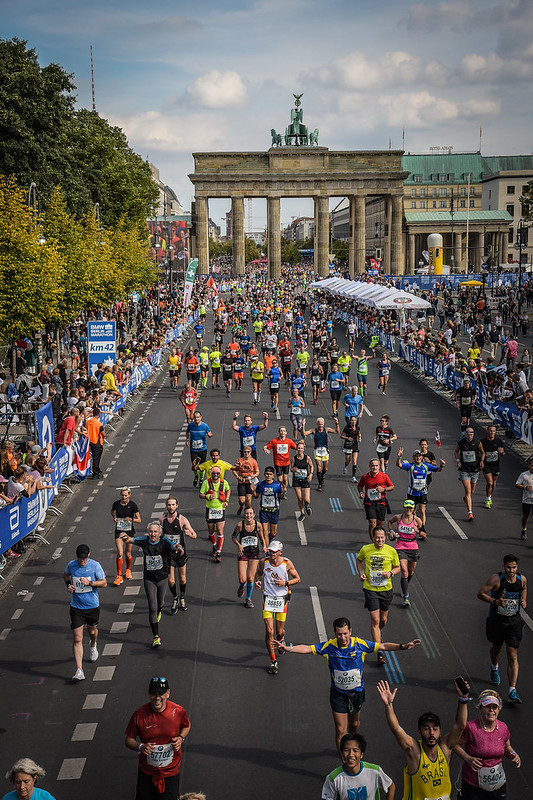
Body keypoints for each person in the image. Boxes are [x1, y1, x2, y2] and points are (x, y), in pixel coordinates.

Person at [276, 617, 420, 752]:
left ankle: (351, 741)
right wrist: (288, 648)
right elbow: (308, 648)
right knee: (340, 730)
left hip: (356, 693)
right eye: (339, 635)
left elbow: (382, 645)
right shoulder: (329, 647)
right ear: (335, 634)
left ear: (350, 632)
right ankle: (344, 761)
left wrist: (403, 646)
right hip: (338, 695)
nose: (343, 638)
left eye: (345, 634)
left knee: (354, 726)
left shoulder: (359, 644)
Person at [377, 678, 470, 800]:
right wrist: (389, 705)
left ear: (440, 731)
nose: (431, 733)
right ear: (419, 732)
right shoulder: (414, 751)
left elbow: (460, 725)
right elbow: (396, 728)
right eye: (426, 729)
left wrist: (463, 700)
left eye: (435, 728)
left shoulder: (445, 748)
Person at [125, 677, 191, 800]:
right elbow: (128, 740)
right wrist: (141, 746)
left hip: (170, 773)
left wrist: (181, 738)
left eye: (161, 693)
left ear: (168, 693)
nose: (157, 697)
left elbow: (186, 726)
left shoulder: (178, 711)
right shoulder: (139, 714)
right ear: (148, 694)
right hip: (146, 773)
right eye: (153, 694)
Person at [121, 522, 181, 648]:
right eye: (151, 531)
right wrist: (125, 536)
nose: (153, 534)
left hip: (162, 578)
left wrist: (179, 548)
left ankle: (159, 610)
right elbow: (131, 540)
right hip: (149, 579)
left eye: (155, 532)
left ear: (159, 533)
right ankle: (156, 637)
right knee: (152, 606)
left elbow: (174, 545)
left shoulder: (164, 541)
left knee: (160, 604)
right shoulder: (144, 540)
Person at [477, 554, 527, 704]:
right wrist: (496, 601)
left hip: (514, 622)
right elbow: (480, 594)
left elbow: (524, 589)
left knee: (512, 654)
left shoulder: (521, 579)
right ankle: (494, 667)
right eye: (508, 568)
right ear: (503, 567)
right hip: (496, 622)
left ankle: (512, 690)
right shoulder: (496, 580)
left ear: (516, 567)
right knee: (497, 649)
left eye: (513, 568)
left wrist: (524, 599)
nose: (511, 571)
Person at [454, 689, 521, 799]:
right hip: (473, 785)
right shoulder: (471, 728)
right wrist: (467, 758)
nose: (491, 710)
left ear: (499, 709)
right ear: (480, 708)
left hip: (498, 784)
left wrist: (514, 754)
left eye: (494, 707)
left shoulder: (503, 727)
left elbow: (507, 746)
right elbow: (454, 743)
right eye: (487, 706)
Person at [356, 527, 401, 665]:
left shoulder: (391, 551)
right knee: (375, 620)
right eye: (377, 537)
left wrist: (391, 573)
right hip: (370, 589)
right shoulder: (366, 549)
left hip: (386, 589)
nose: (379, 540)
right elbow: (359, 560)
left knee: (383, 619)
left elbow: (398, 567)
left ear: (385, 538)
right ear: (373, 538)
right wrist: (361, 573)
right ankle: (379, 651)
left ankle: (378, 633)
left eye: (382, 537)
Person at [255, 540, 300, 675]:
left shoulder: (287, 563)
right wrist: (258, 581)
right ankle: (273, 660)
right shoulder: (264, 562)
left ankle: (280, 640)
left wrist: (285, 582)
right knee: (269, 631)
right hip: (268, 598)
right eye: (270, 551)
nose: (272, 554)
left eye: (274, 551)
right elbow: (259, 573)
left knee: (279, 632)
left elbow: (297, 578)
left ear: (280, 552)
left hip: (282, 599)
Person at [63, 543, 107, 681]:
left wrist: (90, 583)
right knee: (77, 638)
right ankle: (79, 670)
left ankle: (93, 645)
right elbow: (65, 576)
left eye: (83, 558)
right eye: (79, 558)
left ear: (88, 555)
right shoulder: (72, 565)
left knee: (92, 631)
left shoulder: (95, 566)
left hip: (92, 606)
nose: (81, 561)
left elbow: (104, 583)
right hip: (76, 606)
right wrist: (69, 586)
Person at [321, 733, 395, 800]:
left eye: (355, 750)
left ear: (361, 754)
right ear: (342, 753)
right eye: (346, 750)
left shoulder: (375, 771)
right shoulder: (333, 778)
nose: (351, 754)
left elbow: (390, 786)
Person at [396, 448, 444, 537]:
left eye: (419, 456)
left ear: (422, 457)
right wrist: (399, 457)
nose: (418, 458)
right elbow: (399, 465)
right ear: (413, 458)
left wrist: (441, 466)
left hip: (422, 492)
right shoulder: (410, 466)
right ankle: (414, 526)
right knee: (412, 511)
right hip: (412, 493)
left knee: (422, 511)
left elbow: (438, 469)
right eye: (416, 457)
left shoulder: (426, 466)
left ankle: (422, 529)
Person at [161, 497, 197, 614]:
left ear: (177, 506)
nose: (171, 507)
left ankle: (182, 597)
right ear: (166, 506)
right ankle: (175, 599)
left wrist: (189, 534)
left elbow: (194, 534)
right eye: (169, 505)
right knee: (171, 581)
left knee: (182, 579)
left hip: (180, 553)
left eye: (173, 505)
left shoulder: (181, 519)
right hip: (168, 554)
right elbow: (157, 534)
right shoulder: (162, 519)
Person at [387, 500, 423, 607]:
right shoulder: (398, 517)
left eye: (410, 508)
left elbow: (424, 534)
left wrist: (418, 531)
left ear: (414, 510)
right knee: (404, 571)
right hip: (400, 546)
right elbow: (389, 522)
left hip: (413, 548)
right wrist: (391, 531)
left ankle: (404, 587)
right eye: (406, 508)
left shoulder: (417, 520)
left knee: (411, 572)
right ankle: (406, 598)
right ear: (404, 508)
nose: (408, 510)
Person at [232, 507, 267, 608]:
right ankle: (242, 586)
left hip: (254, 553)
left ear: (254, 515)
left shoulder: (258, 525)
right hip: (243, 553)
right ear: (244, 515)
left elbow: (261, 538)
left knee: (251, 578)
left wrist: (264, 546)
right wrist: (239, 545)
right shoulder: (240, 525)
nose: (249, 516)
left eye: (250, 514)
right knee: (242, 579)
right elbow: (233, 537)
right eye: (247, 514)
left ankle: (248, 599)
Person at [110, 487, 141, 586]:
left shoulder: (133, 505)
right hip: (119, 531)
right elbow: (112, 511)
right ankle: (119, 575)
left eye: (126, 495)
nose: (124, 497)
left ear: (129, 495)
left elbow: (139, 520)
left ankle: (128, 570)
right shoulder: (116, 504)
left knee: (127, 553)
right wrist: (114, 517)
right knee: (120, 552)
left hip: (129, 532)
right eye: (122, 495)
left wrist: (131, 519)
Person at [199, 466, 230, 563]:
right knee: (211, 531)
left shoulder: (224, 482)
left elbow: (228, 490)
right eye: (214, 473)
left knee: (220, 531)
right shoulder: (206, 483)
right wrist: (207, 496)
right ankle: (214, 545)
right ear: (211, 474)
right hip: (210, 510)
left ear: (219, 474)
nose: (215, 475)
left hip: (220, 509)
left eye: (217, 473)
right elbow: (200, 494)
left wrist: (227, 500)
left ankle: (219, 551)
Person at [358, 458, 394, 538]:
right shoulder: (365, 477)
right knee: (372, 523)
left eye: (376, 466)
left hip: (381, 502)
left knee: (380, 524)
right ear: (370, 466)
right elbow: (360, 486)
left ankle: (379, 537)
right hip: (369, 502)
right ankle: (373, 542)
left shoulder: (383, 476)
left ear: (379, 466)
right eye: (373, 466)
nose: (375, 468)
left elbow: (392, 487)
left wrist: (383, 489)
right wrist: (361, 493)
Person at [305, 417, 339, 491]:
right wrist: (303, 425)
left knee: (325, 468)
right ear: (317, 424)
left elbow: (337, 431)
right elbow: (304, 433)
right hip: (317, 450)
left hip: (325, 450)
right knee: (319, 467)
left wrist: (337, 423)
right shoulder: (314, 430)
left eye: (322, 424)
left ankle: (321, 476)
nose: (320, 426)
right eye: (319, 424)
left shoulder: (326, 430)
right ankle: (320, 484)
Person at [254, 466, 285, 542]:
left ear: (273, 476)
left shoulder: (277, 485)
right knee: (265, 532)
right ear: (264, 475)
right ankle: (267, 552)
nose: (268, 476)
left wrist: (283, 492)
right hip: (263, 511)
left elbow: (280, 497)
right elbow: (256, 496)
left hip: (274, 511)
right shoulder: (261, 484)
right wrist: (253, 491)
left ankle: (270, 538)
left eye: (270, 474)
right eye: (267, 474)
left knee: (273, 533)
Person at [264, 426, 296, 494]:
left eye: (284, 431)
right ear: (279, 433)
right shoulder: (274, 441)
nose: (282, 432)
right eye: (281, 431)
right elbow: (266, 446)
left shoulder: (289, 441)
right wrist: (265, 449)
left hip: (286, 463)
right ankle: (281, 488)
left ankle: (284, 489)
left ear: (286, 433)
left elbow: (296, 447)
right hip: (278, 463)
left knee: (285, 478)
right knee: (280, 479)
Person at [481, 424, 505, 508]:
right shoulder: (482, 442)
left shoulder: (499, 441)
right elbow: (479, 453)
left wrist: (501, 452)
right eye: (490, 430)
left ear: (495, 432)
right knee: (489, 482)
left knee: (493, 483)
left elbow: (502, 453)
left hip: (495, 465)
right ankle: (487, 499)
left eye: (493, 431)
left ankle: (489, 496)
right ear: (487, 431)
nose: (492, 432)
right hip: (486, 465)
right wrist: (482, 457)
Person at [186, 411, 212, 487]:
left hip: (203, 449)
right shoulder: (191, 425)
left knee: (202, 466)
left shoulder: (204, 426)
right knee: (194, 465)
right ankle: (196, 476)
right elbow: (187, 432)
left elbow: (210, 433)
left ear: (201, 417)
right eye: (195, 417)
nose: (196, 419)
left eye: (198, 417)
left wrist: (210, 434)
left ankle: (201, 479)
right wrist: (187, 439)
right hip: (193, 449)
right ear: (193, 418)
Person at [231, 446, 259, 515]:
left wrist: (254, 475)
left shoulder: (253, 461)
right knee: (242, 500)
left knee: (248, 500)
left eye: (248, 452)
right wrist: (237, 476)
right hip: (242, 481)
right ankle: (241, 506)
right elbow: (233, 469)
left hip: (250, 481)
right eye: (245, 452)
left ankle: (247, 513)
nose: (246, 453)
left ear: (250, 453)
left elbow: (257, 471)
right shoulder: (240, 460)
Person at [290, 440, 314, 520]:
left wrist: (311, 474)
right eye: (298, 448)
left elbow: (311, 466)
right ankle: (302, 513)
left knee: (307, 500)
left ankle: (307, 506)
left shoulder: (307, 458)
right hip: (296, 480)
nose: (300, 450)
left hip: (305, 480)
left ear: (304, 449)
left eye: (301, 448)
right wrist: (294, 469)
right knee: (300, 498)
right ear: (296, 449)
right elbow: (291, 469)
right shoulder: (293, 458)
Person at [516, 455, 533, 539]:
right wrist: (525, 487)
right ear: (529, 465)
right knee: (525, 517)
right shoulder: (524, 475)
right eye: (532, 465)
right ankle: (524, 529)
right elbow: (517, 484)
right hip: (527, 500)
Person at [86, 405, 105, 478]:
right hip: (96, 441)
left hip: (89, 441)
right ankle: (95, 473)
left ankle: (97, 470)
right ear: (99, 414)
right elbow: (103, 433)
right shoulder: (98, 424)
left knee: (94, 457)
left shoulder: (88, 422)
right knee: (96, 458)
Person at [341, 415, 361, 481]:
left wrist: (360, 438)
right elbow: (342, 436)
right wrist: (347, 438)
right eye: (352, 420)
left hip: (355, 445)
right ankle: (345, 466)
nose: (353, 422)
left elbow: (359, 433)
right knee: (348, 461)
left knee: (354, 461)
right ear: (350, 421)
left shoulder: (357, 427)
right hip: (348, 445)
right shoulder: (347, 427)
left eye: (355, 420)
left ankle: (353, 477)